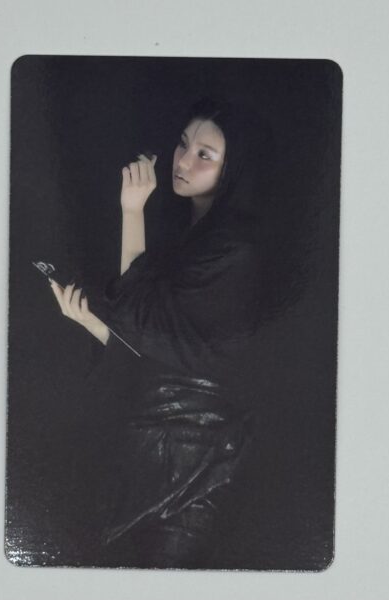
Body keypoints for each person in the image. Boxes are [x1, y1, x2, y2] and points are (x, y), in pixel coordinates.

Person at [50, 97, 277, 568]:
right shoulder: (190, 234)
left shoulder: (237, 250)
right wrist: (92, 322)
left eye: (204, 155)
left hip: (195, 461)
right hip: (148, 447)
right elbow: (156, 346)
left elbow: (145, 321)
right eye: (183, 144)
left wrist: (132, 211)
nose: (183, 160)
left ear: (233, 169)